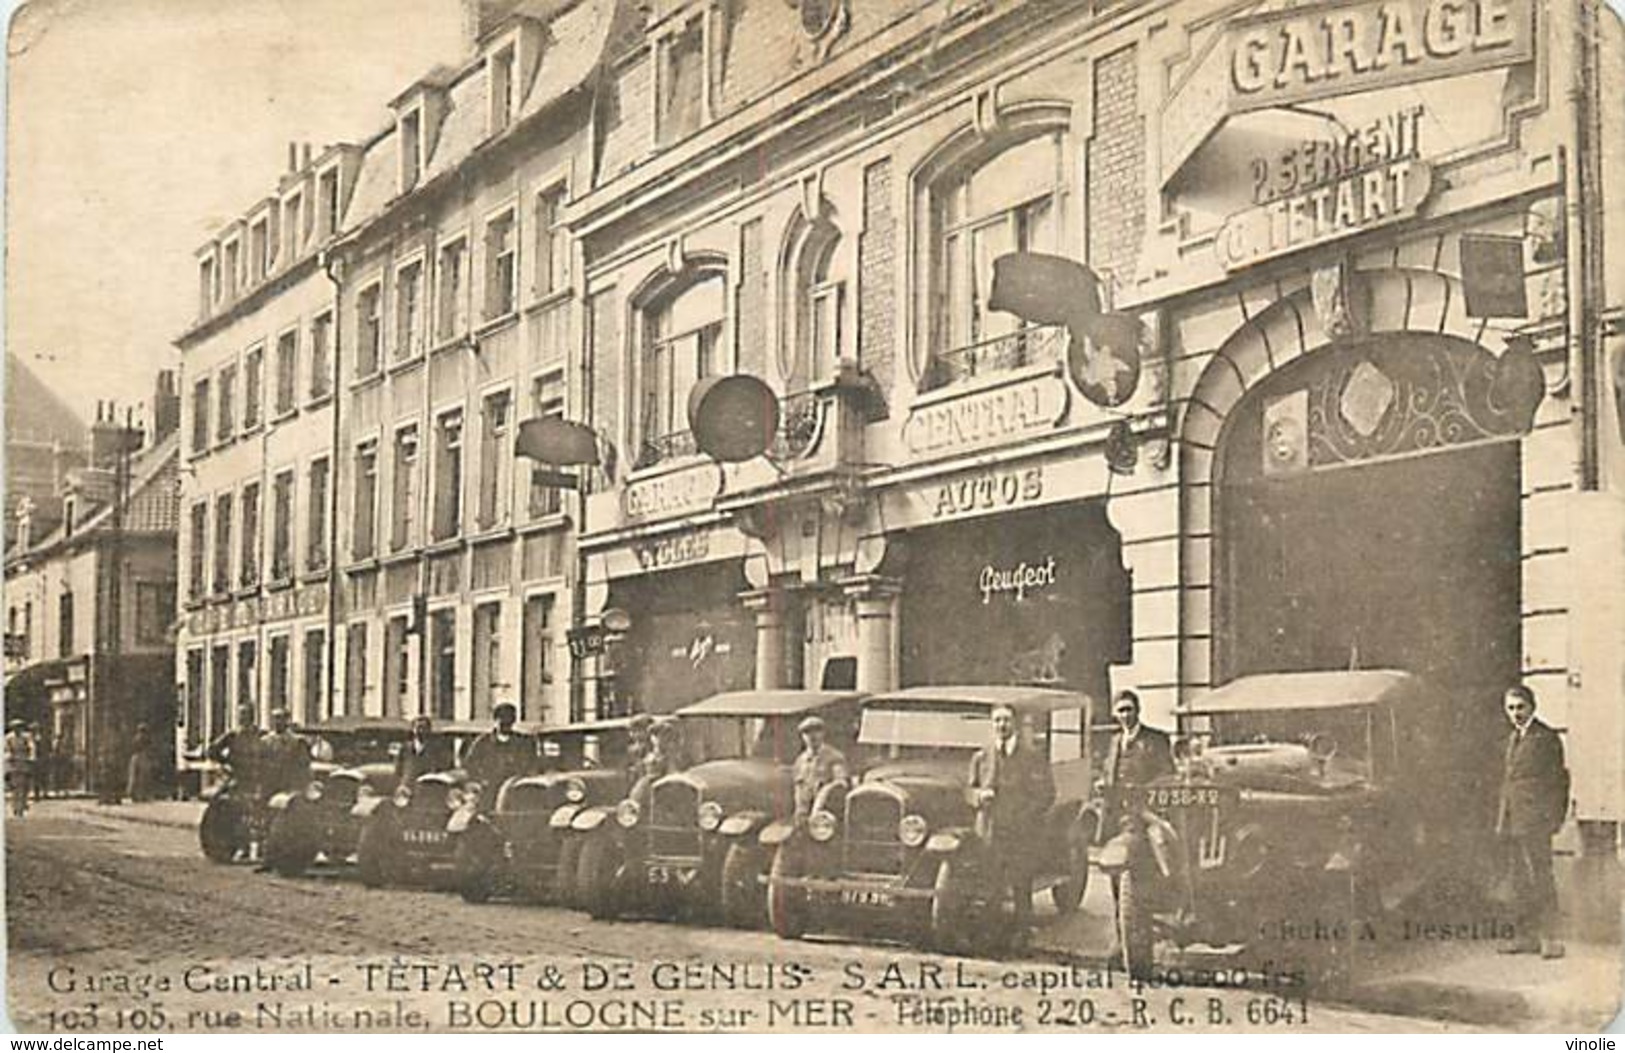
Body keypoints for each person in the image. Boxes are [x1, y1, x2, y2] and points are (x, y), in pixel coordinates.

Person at [966, 706, 1055, 936]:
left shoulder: (1032, 756)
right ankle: (992, 937)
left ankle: (1022, 936)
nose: (1001, 725)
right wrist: (978, 797)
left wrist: (1025, 815)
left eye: (1006, 720)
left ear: (1015, 723)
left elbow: (1047, 793)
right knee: (991, 884)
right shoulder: (981, 756)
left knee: (1021, 885)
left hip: (1021, 832)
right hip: (989, 830)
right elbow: (969, 788)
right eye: (997, 721)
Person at [1496, 684, 1570, 959]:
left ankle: (1551, 939)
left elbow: (1559, 782)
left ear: (1532, 707)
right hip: (1514, 820)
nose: (1516, 713)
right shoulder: (1512, 740)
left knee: (1541, 878)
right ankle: (1524, 936)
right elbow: (1509, 783)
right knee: (1519, 881)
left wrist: (1555, 819)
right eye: (1511, 708)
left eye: (1520, 707)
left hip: (1536, 821)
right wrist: (1502, 820)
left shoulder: (1545, 738)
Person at [462, 702, 535, 811]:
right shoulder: (483, 742)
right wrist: (481, 779)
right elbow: (470, 763)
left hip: (515, 787)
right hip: (488, 787)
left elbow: (531, 764)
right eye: (502, 720)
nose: (506, 725)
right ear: (496, 720)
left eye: (509, 721)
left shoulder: (523, 742)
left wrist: (519, 777)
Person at [1103, 689, 1176, 793]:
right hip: (1117, 804)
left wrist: (1143, 790)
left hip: (1144, 804)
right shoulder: (1114, 741)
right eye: (1121, 711)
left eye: (1129, 709)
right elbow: (1109, 773)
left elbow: (1167, 774)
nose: (1125, 715)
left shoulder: (1156, 739)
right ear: (1115, 714)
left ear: (1138, 710)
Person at [791, 715, 849, 826]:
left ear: (823, 733)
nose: (812, 736)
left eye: (817, 731)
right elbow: (797, 788)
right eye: (807, 733)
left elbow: (841, 783)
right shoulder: (800, 761)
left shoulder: (834, 757)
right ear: (802, 737)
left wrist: (825, 792)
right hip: (803, 816)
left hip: (826, 819)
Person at [396, 714, 454, 787]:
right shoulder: (405, 747)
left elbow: (444, 768)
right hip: (408, 786)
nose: (421, 731)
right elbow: (399, 769)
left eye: (424, 728)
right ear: (413, 729)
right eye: (418, 728)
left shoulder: (437, 748)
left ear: (429, 730)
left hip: (428, 787)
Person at [5, 720, 34, 818]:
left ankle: (22, 806)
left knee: (24, 787)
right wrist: (9, 757)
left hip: (24, 763)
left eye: (19, 727)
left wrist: (31, 758)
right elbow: (6, 749)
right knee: (15, 787)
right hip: (14, 764)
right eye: (15, 727)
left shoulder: (26, 737)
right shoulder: (9, 738)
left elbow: (31, 748)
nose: (17, 729)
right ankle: (16, 807)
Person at [126, 723, 156, 803]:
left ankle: (133, 793)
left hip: (136, 757)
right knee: (143, 777)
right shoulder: (146, 738)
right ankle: (141, 795)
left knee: (134, 776)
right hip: (143, 757)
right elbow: (150, 748)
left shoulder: (135, 738)